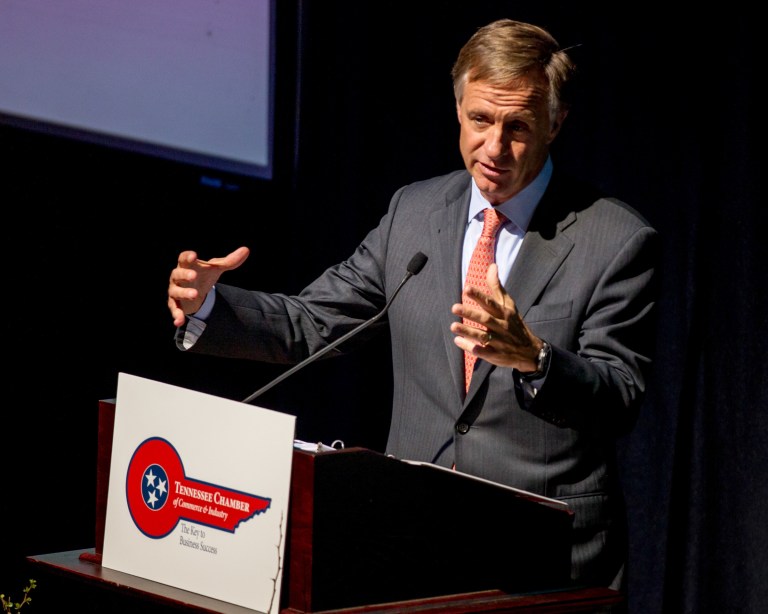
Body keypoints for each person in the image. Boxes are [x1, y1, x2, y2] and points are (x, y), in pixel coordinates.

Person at [167, 18, 659, 594]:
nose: (494, 147)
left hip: (541, 557)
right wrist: (209, 305)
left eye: (518, 126)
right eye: (480, 120)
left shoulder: (614, 239)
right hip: (413, 540)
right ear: (458, 110)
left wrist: (537, 358)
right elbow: (314, 322)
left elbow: (620, 398)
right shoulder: (415, 213)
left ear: (556, 122)